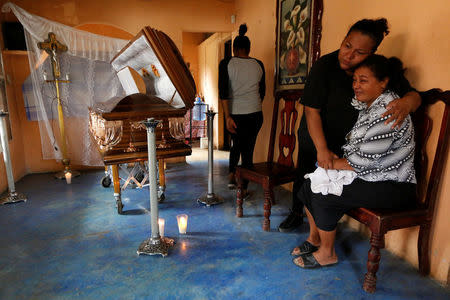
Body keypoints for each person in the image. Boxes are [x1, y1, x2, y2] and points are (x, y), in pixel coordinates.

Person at [278, 18, 421, 232]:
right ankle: (296, 213)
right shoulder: (324, 66)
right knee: (308, 174)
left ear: (371, 53)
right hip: (317, 135)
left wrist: (408, 102)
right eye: (347, 46)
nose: (348, 55)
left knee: (330, 183)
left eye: (359, 52)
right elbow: (311, 111)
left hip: (351, 143)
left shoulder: (376, 71)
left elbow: (413, 95)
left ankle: (323, 229)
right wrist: (322, 150)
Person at [292, 54, 417, 268]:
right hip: (371, 176)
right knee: (308, 185)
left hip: (394, 187)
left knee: (324, 192)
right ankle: (315, 239)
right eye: (355, 80)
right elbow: (358, 153)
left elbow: (362, 161)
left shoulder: (390, 110)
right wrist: (330, 162)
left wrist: (330, 163)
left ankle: (327, 253)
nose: (356, 86)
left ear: (383, 82)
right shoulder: (370, 105)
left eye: (363, 80)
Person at [218, 23, 266, 192]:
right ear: (248, 49)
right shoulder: (258, 64)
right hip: (256, 114)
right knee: (248, 150)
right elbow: (263, 91)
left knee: (236, 145)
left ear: (234, 49)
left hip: (237, 114)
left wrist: (227, 117)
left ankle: (234, 178)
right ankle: (243, 185)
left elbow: (223, 92)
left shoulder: (226, 63)